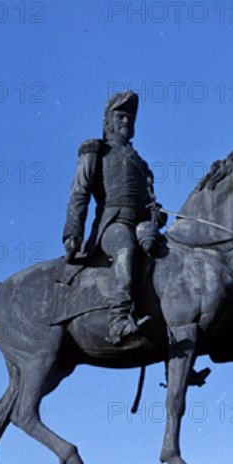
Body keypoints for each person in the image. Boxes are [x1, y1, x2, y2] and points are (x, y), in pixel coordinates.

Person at [62, 91, 164, 345]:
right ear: (107, 122)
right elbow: (79, 193)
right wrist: (72, 233)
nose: (126, 121)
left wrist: (156, 217)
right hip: (112, 223)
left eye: (130, 117)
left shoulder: (142, 165)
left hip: (141, 225)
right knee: (125, 250)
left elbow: (150, 202)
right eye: (119, 116)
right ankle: (118, 322)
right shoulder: (96, 151)